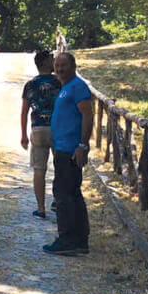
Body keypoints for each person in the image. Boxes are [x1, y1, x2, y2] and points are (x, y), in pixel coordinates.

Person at [44, 51, 94, 255]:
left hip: (71, 150)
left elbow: (87, 115)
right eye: (57, 66)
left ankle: (67, 239)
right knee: (72, 193)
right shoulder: (66, 87)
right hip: (63, 148)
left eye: (63, 65)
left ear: (73, 66)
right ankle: (80, 240)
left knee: (63, 194)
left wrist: (82, 145)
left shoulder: (78, 87)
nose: (60, 69)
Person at [20, 50, 60, 219]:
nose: (55, 63)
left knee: (39, 170)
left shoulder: (30, 85)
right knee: (60, 167)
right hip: (58, 129)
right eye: (52, 60)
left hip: (38, 129)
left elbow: (23, 112)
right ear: (45, 63)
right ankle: (57, 201)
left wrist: (23, 135)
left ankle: (41, 208)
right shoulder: (59, 83)